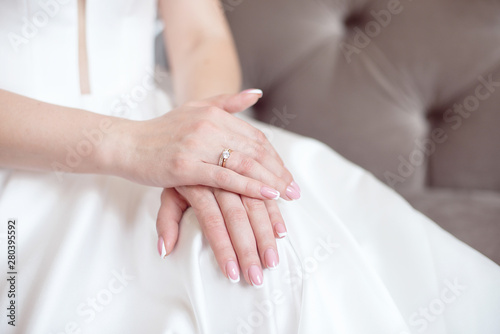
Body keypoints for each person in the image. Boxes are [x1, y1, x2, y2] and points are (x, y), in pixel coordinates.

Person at [0, 1, 499, 333]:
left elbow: (200, 35)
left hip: (167, 117)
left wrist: (202, 141)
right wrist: (135, 146)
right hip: (26, 148)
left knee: (286, 236)